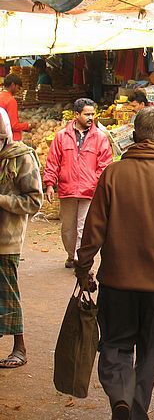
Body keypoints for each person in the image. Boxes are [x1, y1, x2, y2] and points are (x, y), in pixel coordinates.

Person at [75, 107, 154, 420]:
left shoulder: (113, 174)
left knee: (116, 344)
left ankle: (120, 396)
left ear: (134, 137)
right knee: (151, 349)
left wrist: (83, 267)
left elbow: (93, 230)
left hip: (117, 282)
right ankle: (136, 409)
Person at [43, 98, 112, 268]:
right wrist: (50, 184)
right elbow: (53, 162)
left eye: (92, 114)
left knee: (84, 225)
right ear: (76, 115)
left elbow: (104, 164)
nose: (90, 117)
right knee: (67, 227)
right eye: (87, 114)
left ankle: (78, 257)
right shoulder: (61, 136)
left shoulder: (100, 138)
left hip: (90, 190)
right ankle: (70, 253)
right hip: (67, 188)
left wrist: (95, 183)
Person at [0, 107, 42, 368]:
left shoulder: (21, 157)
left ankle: (20, 348)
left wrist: (2, 200)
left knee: (8, 293)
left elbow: (34, 201)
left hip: (7, 238)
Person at [0, 74, 30, 141]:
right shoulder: (11, 101)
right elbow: (13, 126)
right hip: (9, 140)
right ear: (13, 85)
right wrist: (28, 125)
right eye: (18, 88)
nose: (18, 90)